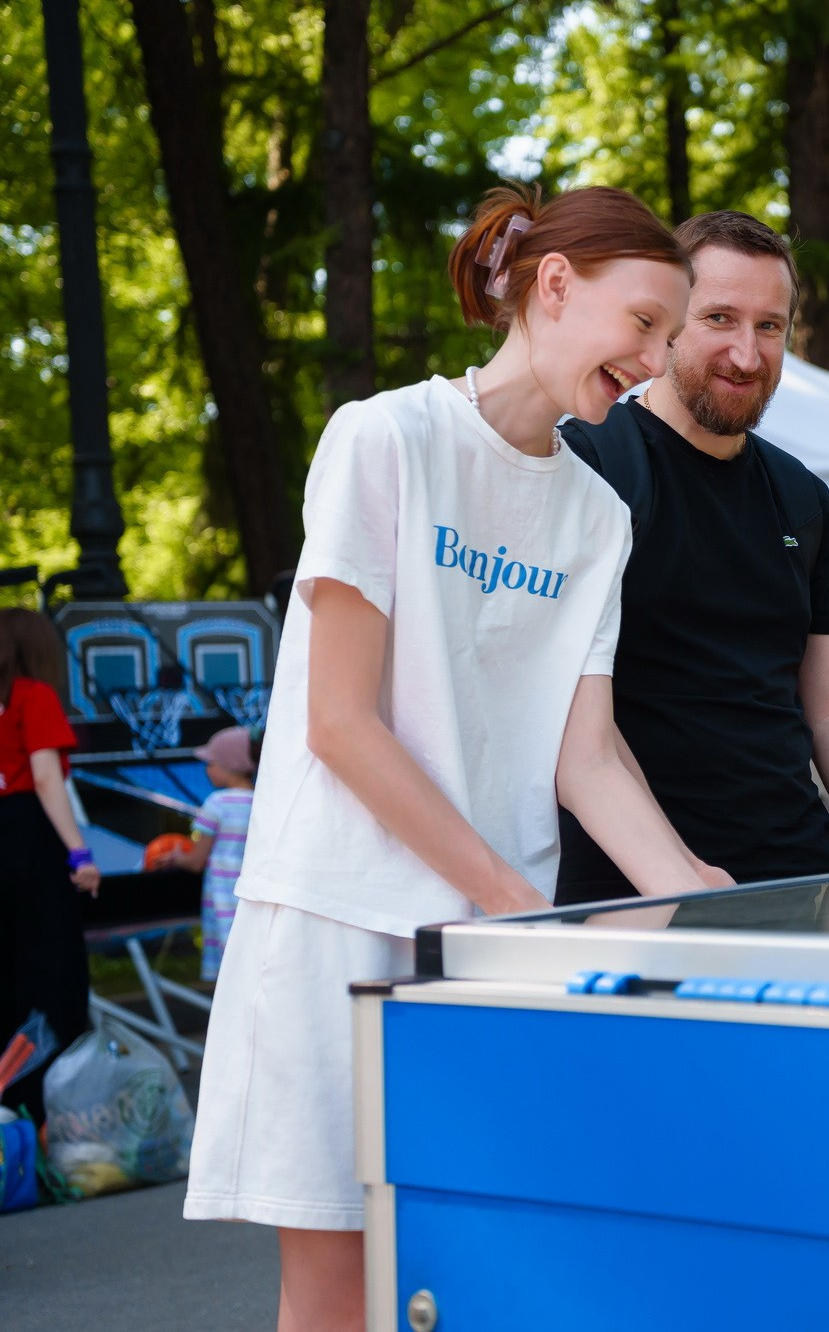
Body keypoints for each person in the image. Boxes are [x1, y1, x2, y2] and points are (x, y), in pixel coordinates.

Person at [184, 184, 721, 1332]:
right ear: (554, 284)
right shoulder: (384, 438)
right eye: (643, 324)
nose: (655, 361)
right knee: (336, 1291)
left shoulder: (597, 513)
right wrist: (512, 905)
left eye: (669, 341)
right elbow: (338, 723)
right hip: (340, 915)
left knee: (473, 1277)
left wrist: (695, 893)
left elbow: (589, 755)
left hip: (486, 942)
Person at [554, 209, 829, 915]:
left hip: (797, 882)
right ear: (667, 320)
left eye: (769, 326)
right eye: (720, 319)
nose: (747, 354)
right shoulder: (589, 461)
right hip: (627, 894)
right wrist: (673, 871)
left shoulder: (804, 498)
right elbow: (561, 713)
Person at [0, 608, 97, 1125]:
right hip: (28, 840)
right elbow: (44, 777)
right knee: (50, 971)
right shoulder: (33, 696)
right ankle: (48, 1110)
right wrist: (79, 852)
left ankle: (8, 1114)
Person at [155, 725, 258, 980]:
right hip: (252, 899)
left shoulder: (216, 804)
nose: (206, 769)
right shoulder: (262, 801)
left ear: (230, 764)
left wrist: (176, 856)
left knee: (229, 975)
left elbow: (196, 861)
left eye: (211, 763)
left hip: (224, 899)